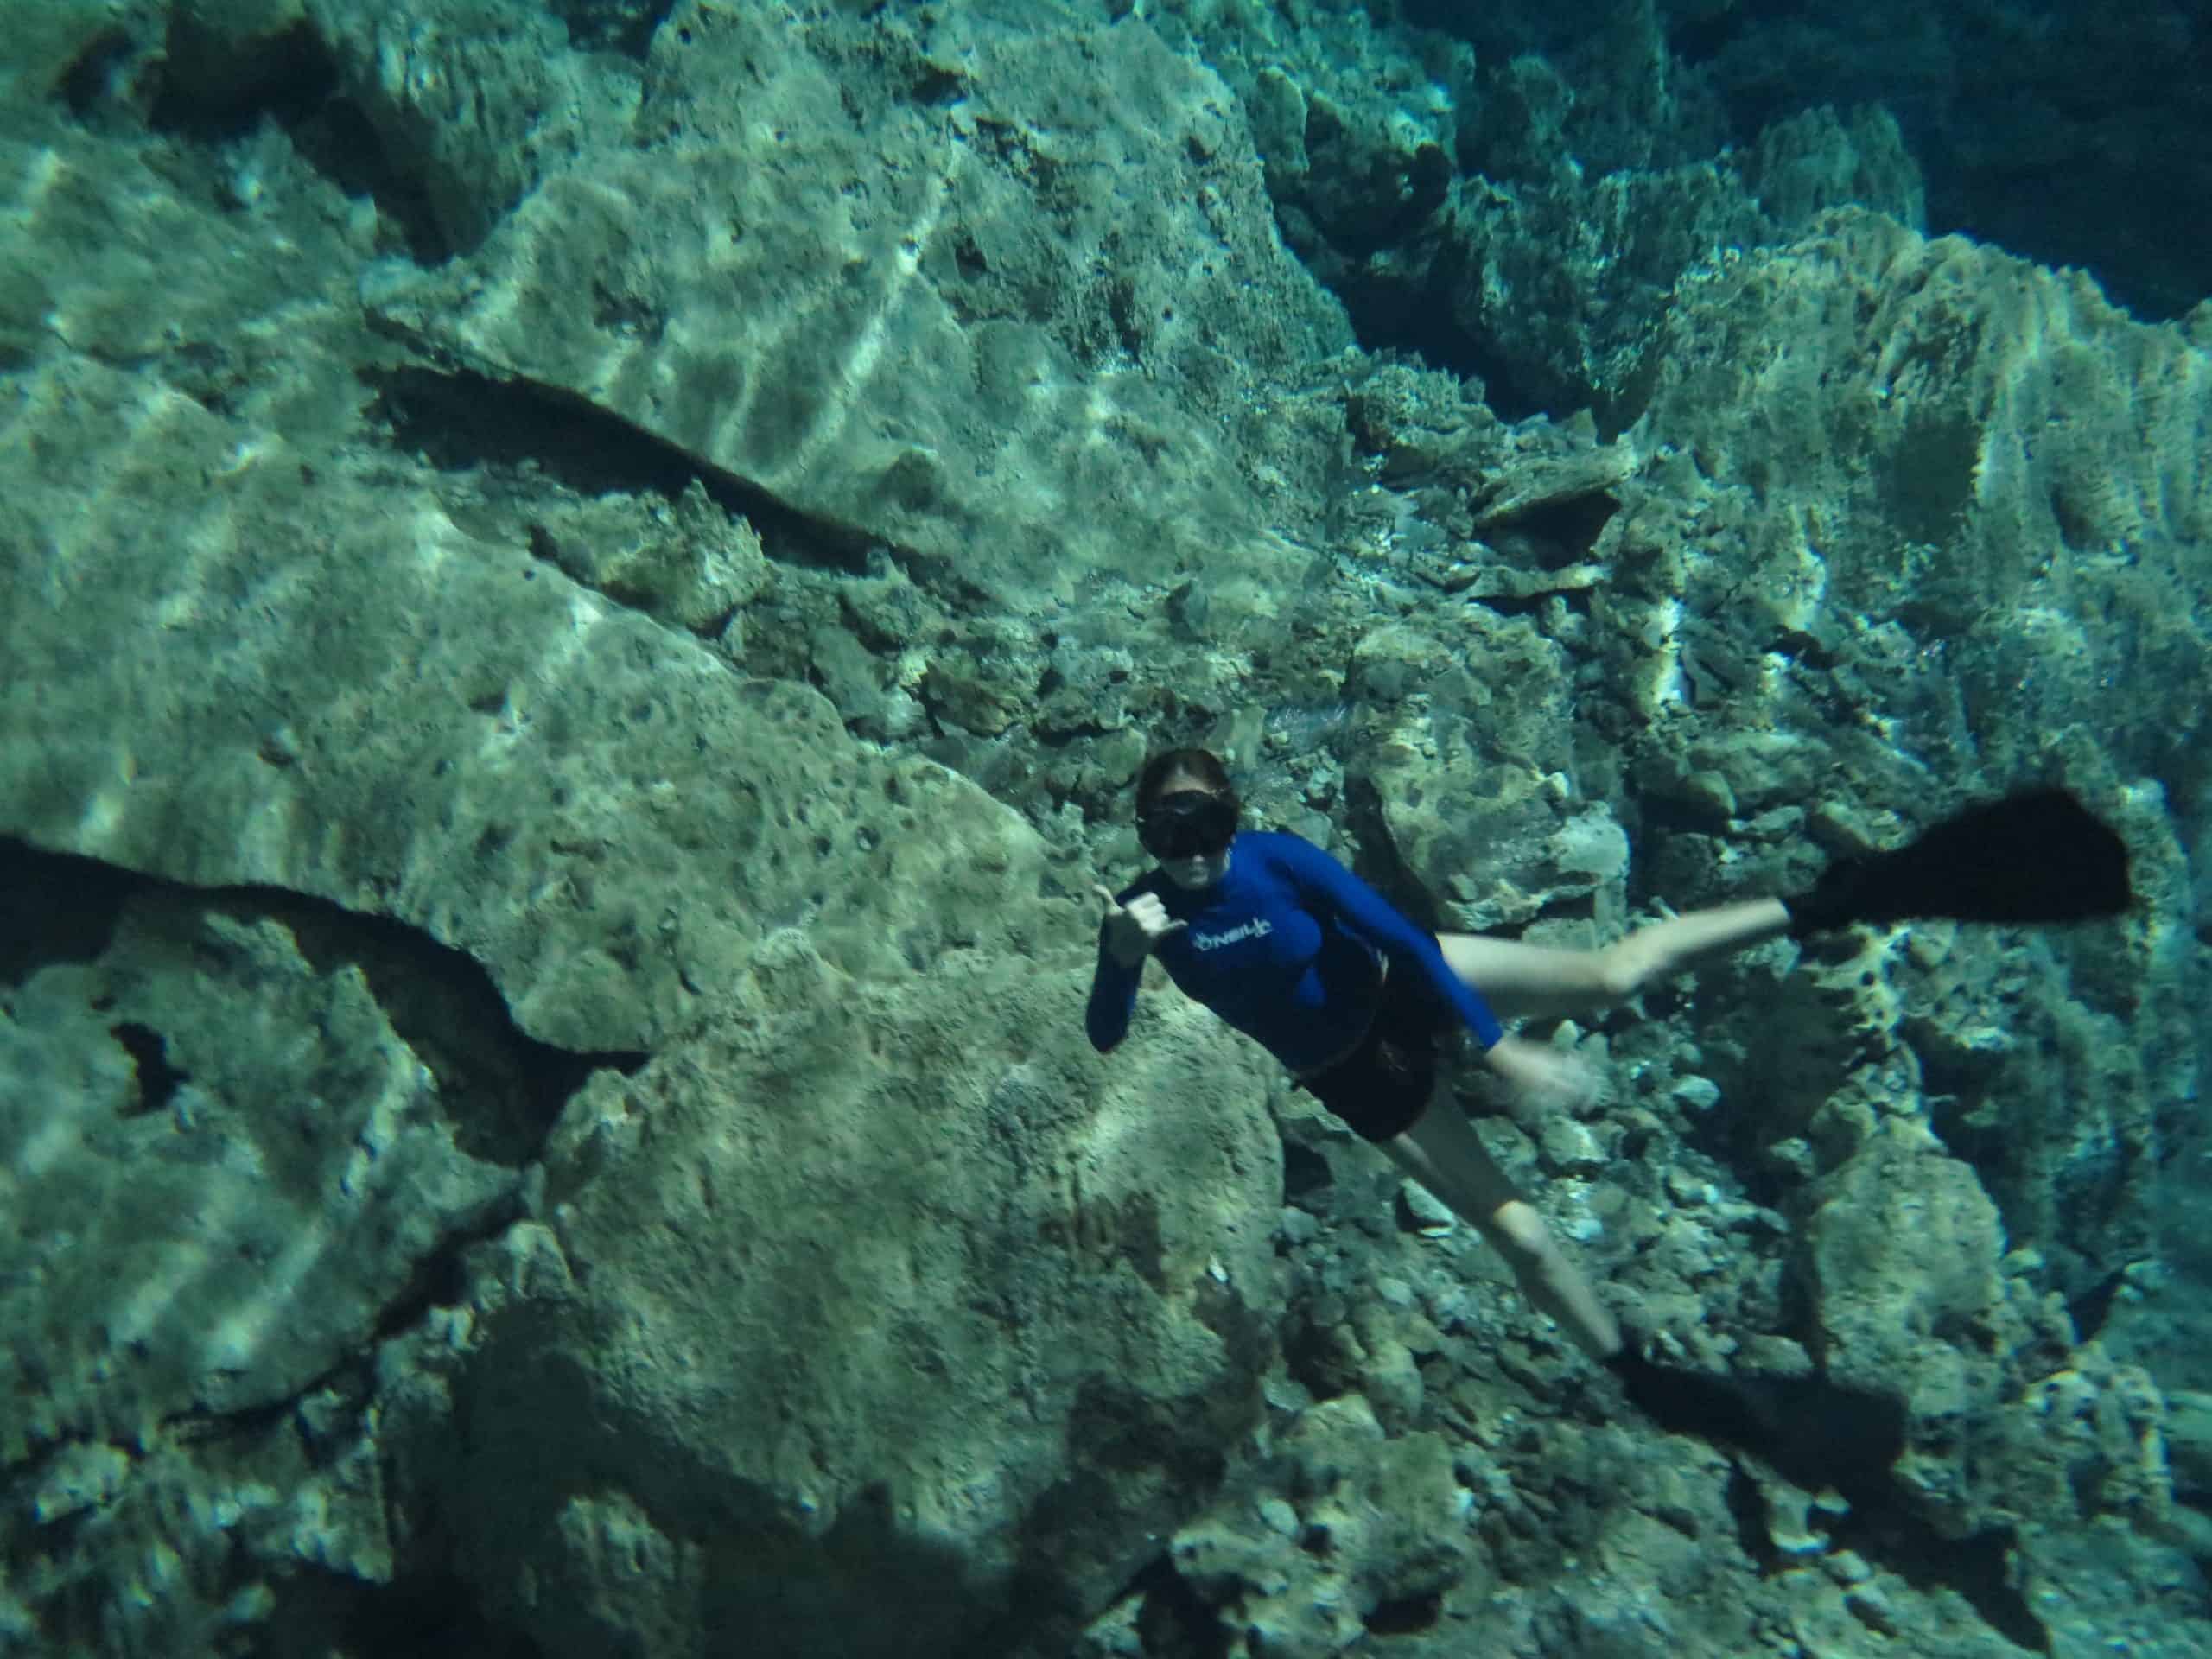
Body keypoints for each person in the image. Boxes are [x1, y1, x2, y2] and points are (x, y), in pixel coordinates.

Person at [1086, 747, 2133, 1373]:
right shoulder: (1145, 915)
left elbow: (1402, 939)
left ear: (1236, 812)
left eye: (1209, 818)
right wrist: (1126, 963)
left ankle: (1839, 898)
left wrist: (1499, 1051)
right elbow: (1103, 1031)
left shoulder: (1277, 861)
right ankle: (1641, 1378)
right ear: (1143, 830)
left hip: (1404, 986)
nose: (1192, 846)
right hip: (1357, 1078)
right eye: (1169, 827)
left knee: (1612, 976)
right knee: (1527, 1242)